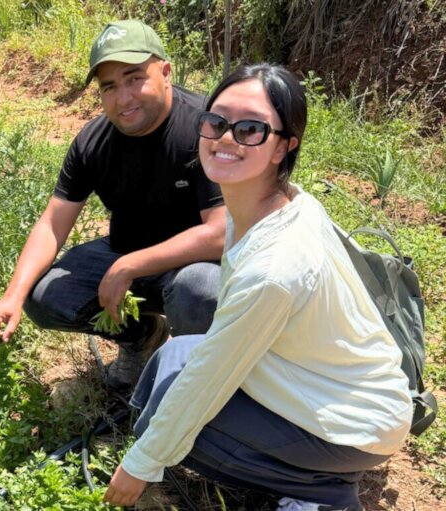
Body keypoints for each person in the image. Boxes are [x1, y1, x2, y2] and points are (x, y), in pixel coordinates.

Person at [103, 64, 412, 511]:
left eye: (250, 129)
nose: (226, 138)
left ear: (284, 146)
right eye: (216, 122)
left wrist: (141, 463)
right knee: (172, 361)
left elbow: (208, 380)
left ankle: (322, 493)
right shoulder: (276, 205)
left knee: (182, 411)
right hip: (316, 379)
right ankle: (305, 468)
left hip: (355, 423)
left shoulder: (274, 268)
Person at [0, 19, 226, 390]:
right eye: (109, 86)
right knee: (45, 296)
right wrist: (12, 296)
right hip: (127, 250)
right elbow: (52, 224)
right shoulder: (93, 142)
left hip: (196, 263)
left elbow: (221, 233)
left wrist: (129, 265)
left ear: (165, 72)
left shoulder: (205, 129)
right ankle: (142, 338)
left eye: (134, 78)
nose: (123, 98)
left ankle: (200, 378)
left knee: (201, 291)